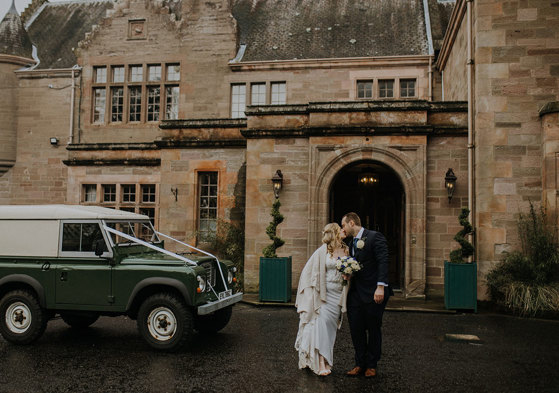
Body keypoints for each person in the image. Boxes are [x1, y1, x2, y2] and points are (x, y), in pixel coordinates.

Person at [341, 212, 392, 378]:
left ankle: (371, 365)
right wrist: (348, 274)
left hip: (373, 292)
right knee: (356, 329)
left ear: (351, 223)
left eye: (343, 226)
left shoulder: (374, 237)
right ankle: (359, 363)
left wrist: (380, 287)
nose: (343, 229)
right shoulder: (351, 243)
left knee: (373, 328)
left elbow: (383, 261)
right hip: (355, 293)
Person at [294, 223, 349, 376]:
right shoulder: (322, 251)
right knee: (321, 326)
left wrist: (348, 275)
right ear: (335, 233)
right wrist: (313, 290)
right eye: (340, 229)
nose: (344, 230)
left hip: (338, 295)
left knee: (331, 330)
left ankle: (326, 359)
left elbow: (348, 271)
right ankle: (320, 362)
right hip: (324, 295)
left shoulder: (345, 250)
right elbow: (308, 271)